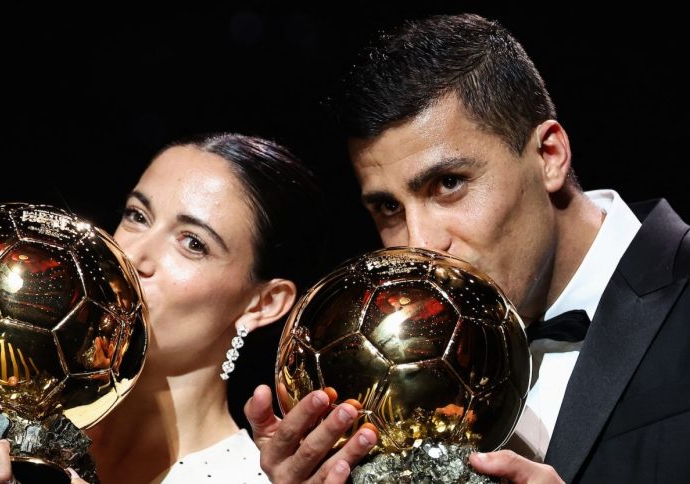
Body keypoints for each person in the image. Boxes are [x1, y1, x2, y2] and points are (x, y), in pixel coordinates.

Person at [246, 13, 690, 484]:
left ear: (550, 156)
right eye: (388, 209)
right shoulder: (387, 385)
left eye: (449, 184)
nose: (420, 244)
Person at [0, 133, 327, 483]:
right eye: (137, 216)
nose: (133, 257)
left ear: (264, 303)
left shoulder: (257, 478)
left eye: (193, 243)